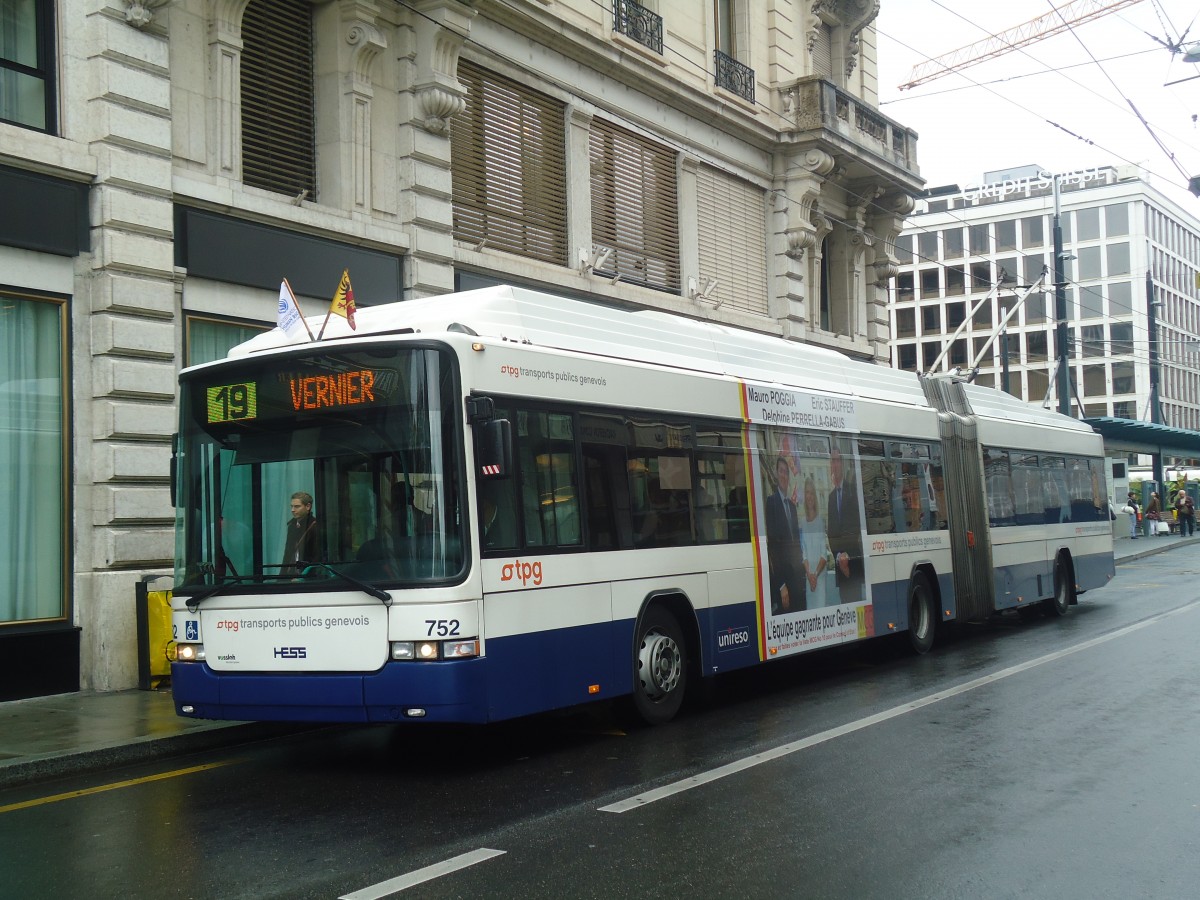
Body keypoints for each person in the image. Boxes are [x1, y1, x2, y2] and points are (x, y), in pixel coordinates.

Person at [764, 454, 805, 614]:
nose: (783, 475)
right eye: (780, 471)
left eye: (786, 472)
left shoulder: (792, 506)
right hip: (784, 583)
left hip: (797, 578)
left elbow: (796, 543)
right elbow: (773, 547)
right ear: (776, 474)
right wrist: (781, 585)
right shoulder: (771, 502)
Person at [827, 441, 865, 604]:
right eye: (832, 462)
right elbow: (831, 530)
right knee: (845, 604)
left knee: (856, 602)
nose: (834, 465)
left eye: (837, 461)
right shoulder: (830, 497)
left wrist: (847, 555)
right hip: (840, 563)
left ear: (842, 464)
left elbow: (857, 523)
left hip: (853, 559)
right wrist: (838, 556)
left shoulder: (853, 489)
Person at [800, 476, 834, 608]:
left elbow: (823, 555)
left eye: (812, 493)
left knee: (820, 610)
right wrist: (809, 575)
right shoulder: (802, 522)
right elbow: (804, 553)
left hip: (819, 578)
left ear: (815, 496)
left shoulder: (820, 521)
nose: (809, 496)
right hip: (809, 578)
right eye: (807, 492)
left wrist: (814, 576)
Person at [281, 491, 320, 575]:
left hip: (307, 577)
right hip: (292, 574)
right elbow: (287, 554)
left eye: (297, 506)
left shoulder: (315, 526)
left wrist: (304, 577)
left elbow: (316, 557)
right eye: (291, 506)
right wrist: (281, 578)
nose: (293, 510)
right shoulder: (292, 526)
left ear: (308, 506)